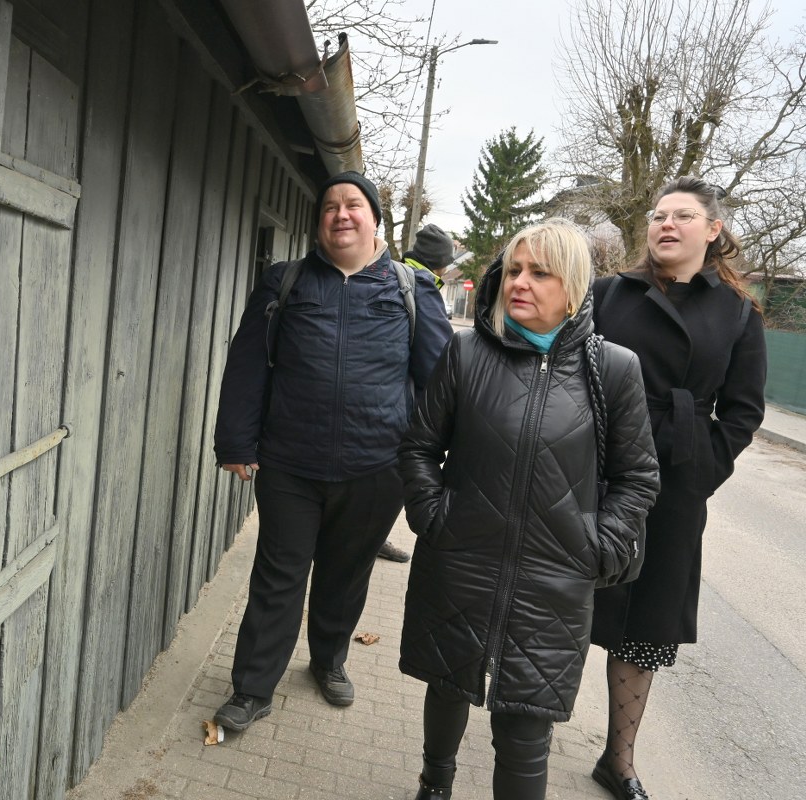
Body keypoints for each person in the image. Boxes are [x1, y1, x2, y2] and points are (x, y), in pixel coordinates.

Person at [398, 219, 660, 799]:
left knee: (525, 728)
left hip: (554, 581)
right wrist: (434, 517)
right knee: (447, 684)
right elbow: (418, 447)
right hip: (460, 561)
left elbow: (638, 477)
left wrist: (598, 545)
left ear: (573, 287)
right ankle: (434, 783)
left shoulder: (614, 368)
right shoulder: (466, 353)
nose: (520, 282)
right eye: (514, 269)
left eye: (540, 272)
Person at [211, 171, 452, 731]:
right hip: (291, 464)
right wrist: (236, 442)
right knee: (278, 576)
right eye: (330, 207)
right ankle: (252, 688)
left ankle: (328, 660)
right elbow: (248, 366)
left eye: (353, 205)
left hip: (377, 468)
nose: (341, 214)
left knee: (345, 575)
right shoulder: (285, 282)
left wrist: (436, 460)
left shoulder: (411, 289)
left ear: (374, 220)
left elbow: (441, 382)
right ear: (319, 223)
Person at [588, 177, 767, 800]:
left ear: (712, 230)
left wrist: (702, 468)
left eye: (682, 216)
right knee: (562, 599)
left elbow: (744, 410)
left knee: (646, 619)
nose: (665, 224)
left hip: (675, 479)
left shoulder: (738, 312)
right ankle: (528, 727)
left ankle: (619, 760)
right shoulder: (608, 292)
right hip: (595, 465)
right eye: (659, 215)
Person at [377, 222, 457, 564]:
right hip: (402, 410)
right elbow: (439, 360)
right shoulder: (421, 285)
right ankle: (373, 538)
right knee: (397, 480)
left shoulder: (391, 274)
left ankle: (371, 536)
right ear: (442, 263)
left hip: (379, 402)